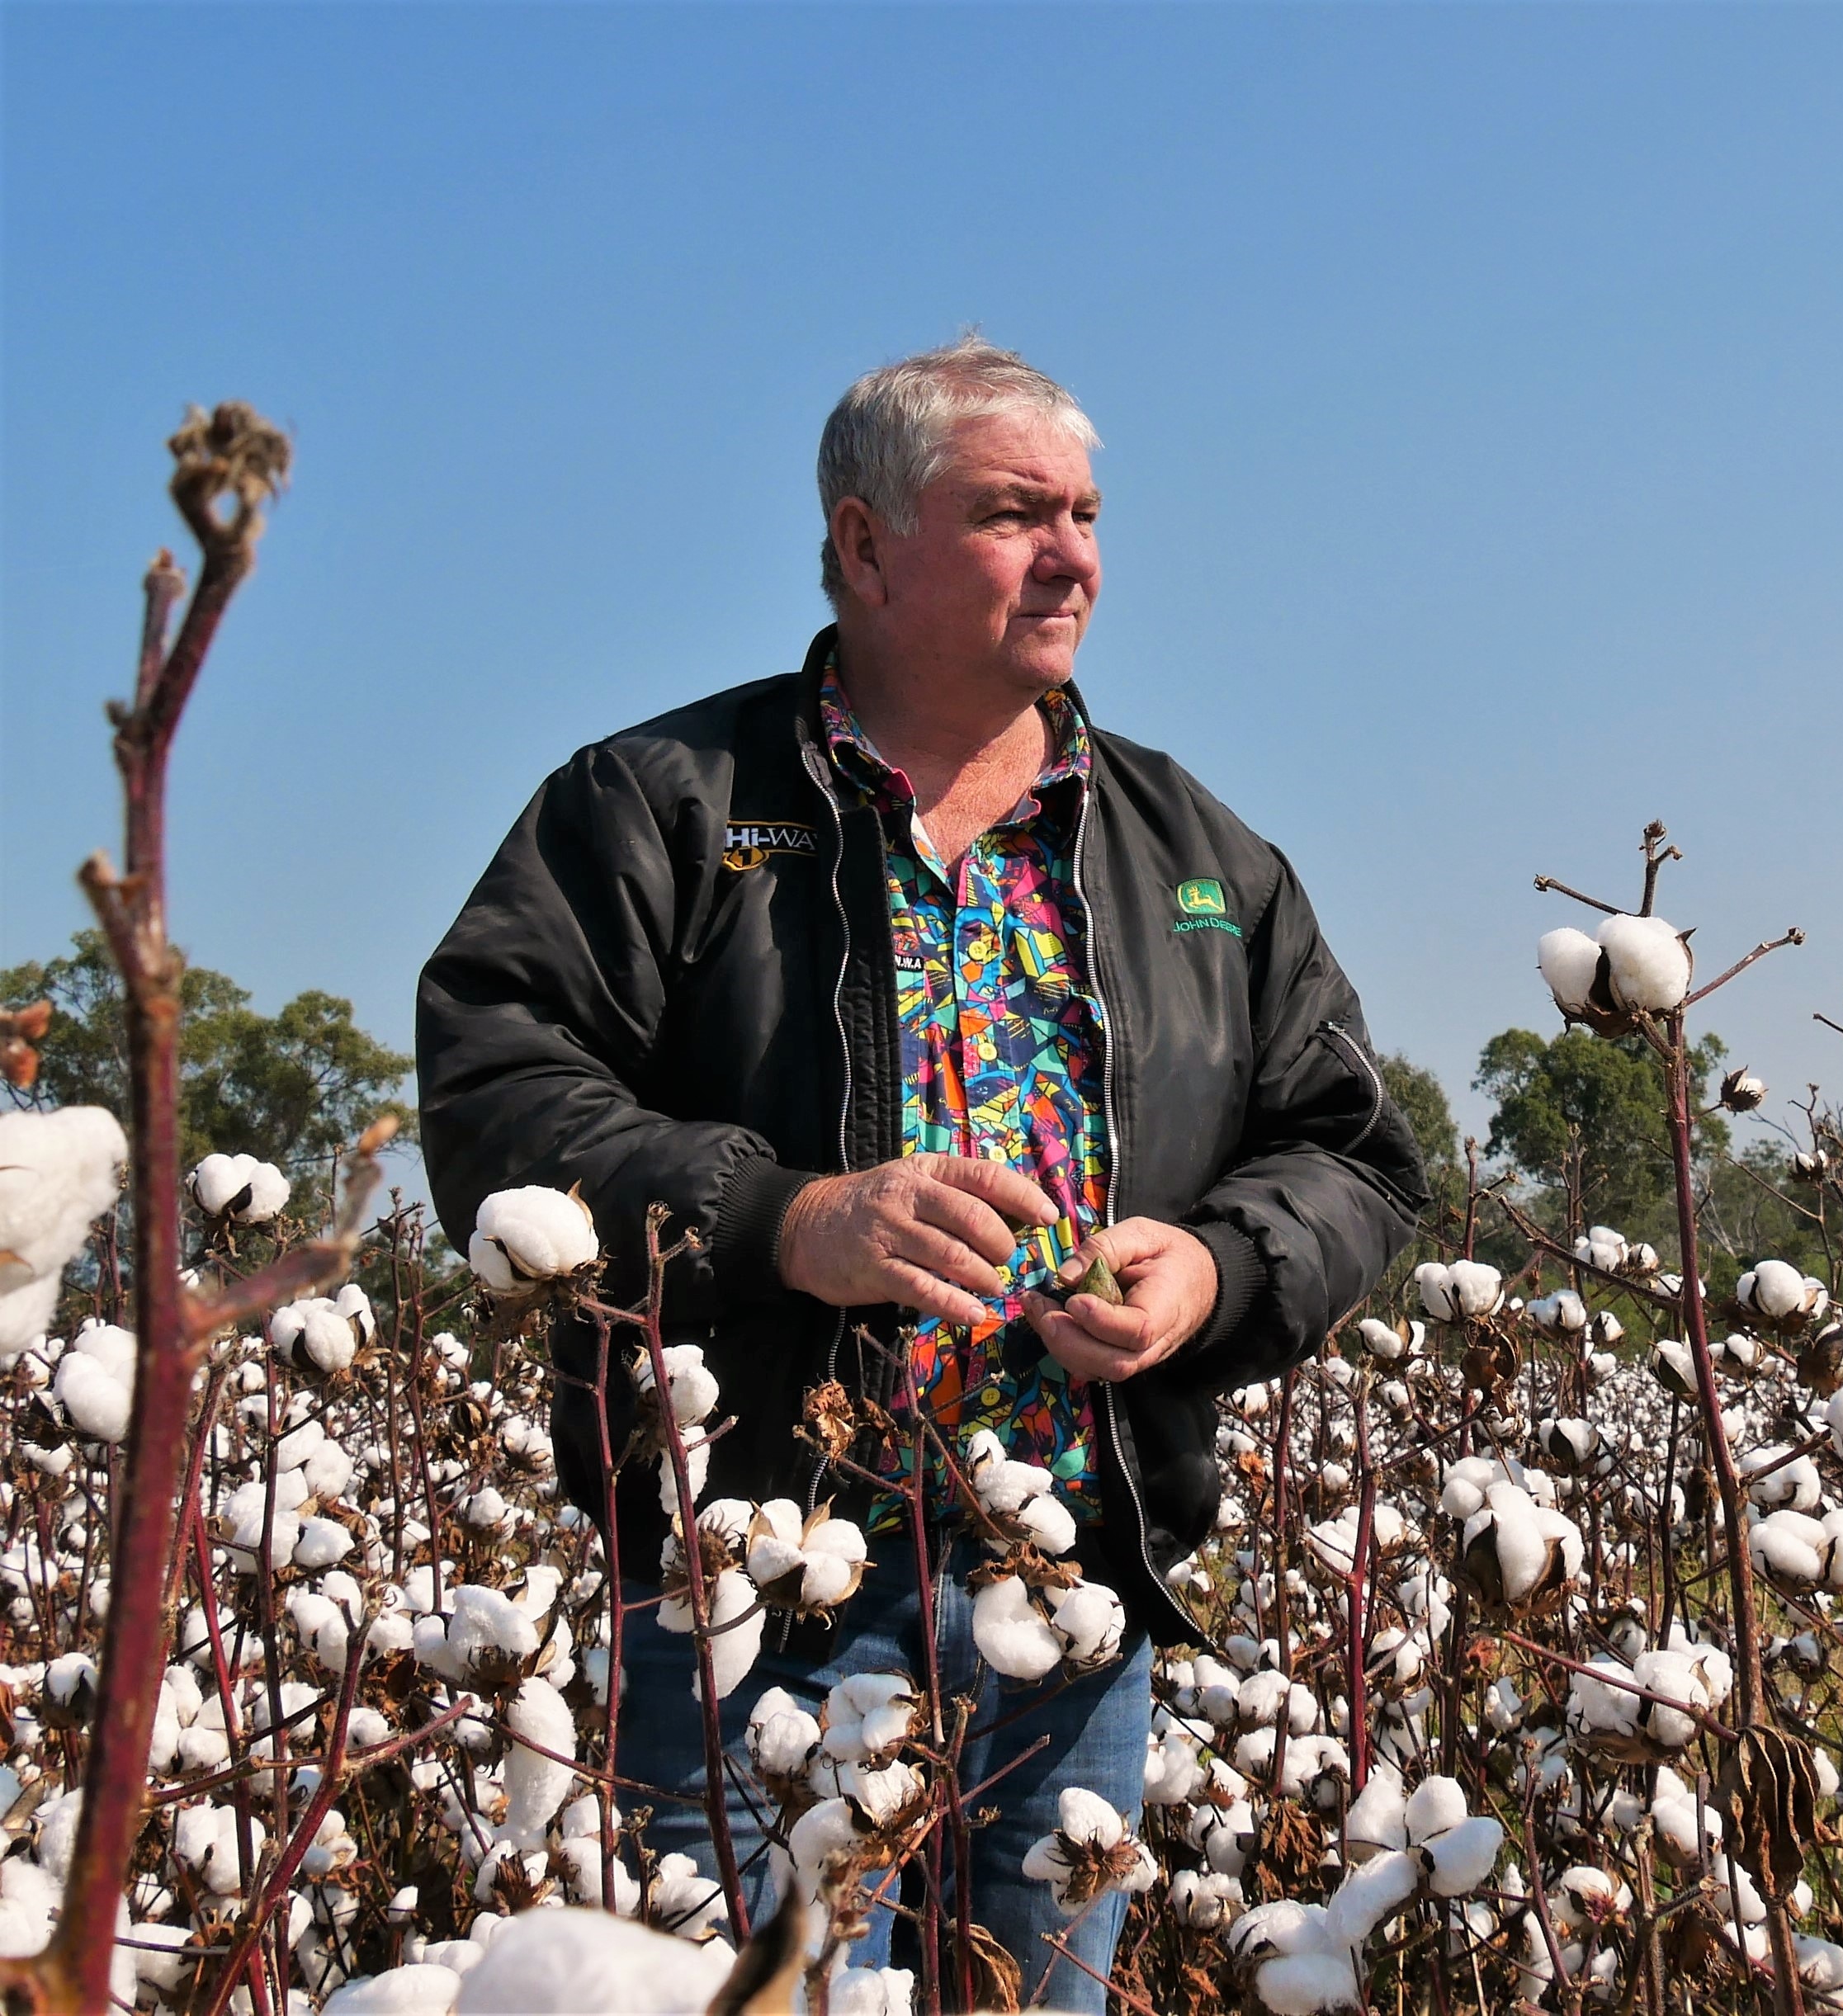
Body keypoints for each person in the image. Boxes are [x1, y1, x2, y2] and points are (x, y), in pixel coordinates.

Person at [417, 339, 1425, 2009]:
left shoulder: (1200, 860)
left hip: (1075, 1601)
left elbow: (1350, 1151)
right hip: (750, 1600)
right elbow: (496, 1087)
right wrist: (785, 1218)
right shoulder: (663, 808)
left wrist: (1211, 1272)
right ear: (865, 542)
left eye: (1085, 513)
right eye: (1015, 511)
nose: (1074, 554)